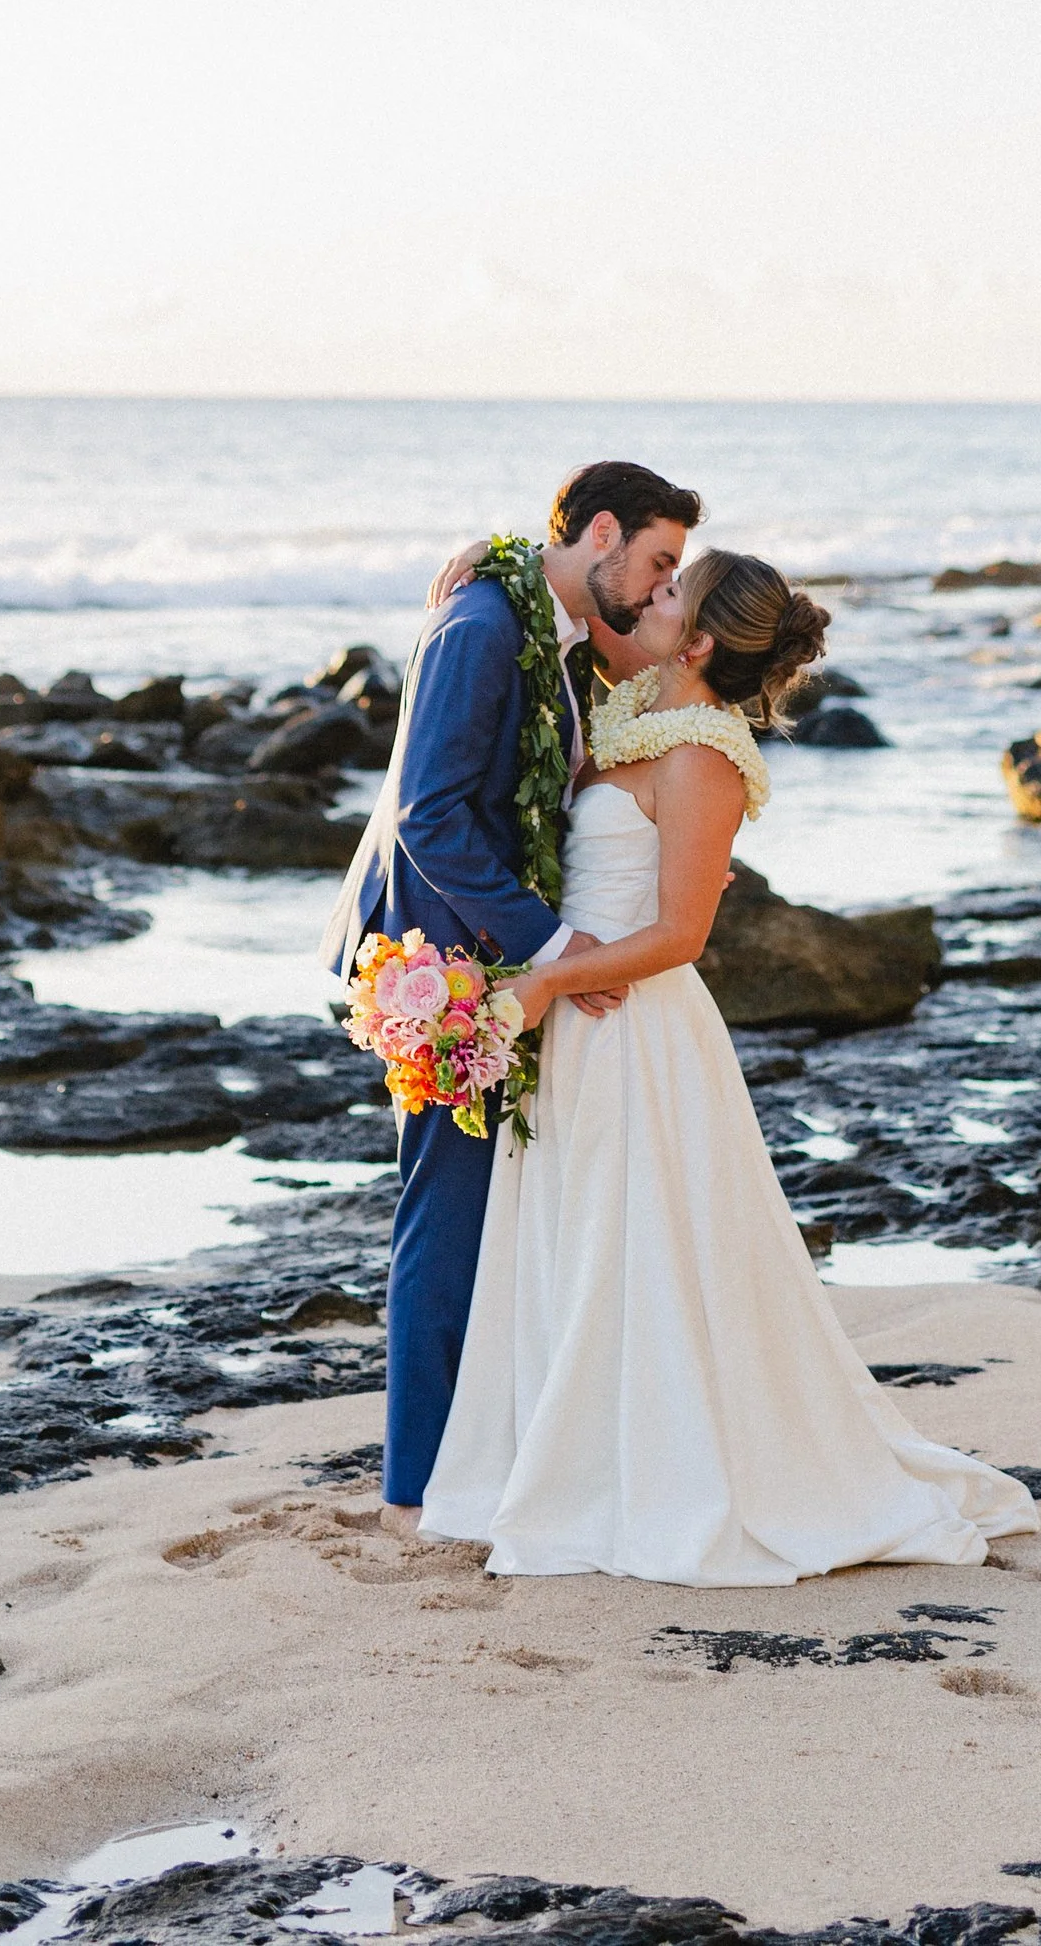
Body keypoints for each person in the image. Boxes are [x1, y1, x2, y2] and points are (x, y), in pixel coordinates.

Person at [418, 549, 1037, 1582]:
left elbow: (678, 936)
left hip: (634, 1028)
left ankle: (645, 1480)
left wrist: (539, 988)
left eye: (668, 593)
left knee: (639, 1251)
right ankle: (563, 1462)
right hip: (577, 1017)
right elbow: (563, 627)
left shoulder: (705, 756)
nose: (648, 599)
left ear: (697, 640)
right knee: (574, 1246)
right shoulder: (621, 713)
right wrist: (484, 564)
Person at [320, 457, 701, 1518]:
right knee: (447, 1212)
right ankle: (424, 1478)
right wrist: (554, 942)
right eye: (661, 560)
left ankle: (490, 1453)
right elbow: (429, 816)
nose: (663, 581)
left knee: (495, 1212)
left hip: (494, 953)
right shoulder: (486, 627)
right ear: (604, 533)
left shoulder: (546, 621)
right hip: (444, 963)